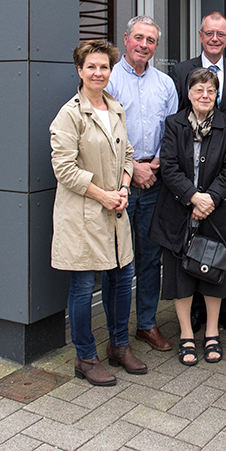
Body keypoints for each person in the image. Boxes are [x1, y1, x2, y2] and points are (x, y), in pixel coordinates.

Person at [50, 40, 147, 386]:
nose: (98, 72)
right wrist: (103, 195)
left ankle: (119, 346)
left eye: (104, 67)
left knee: (122, 281)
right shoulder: (69, 114)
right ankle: (85, 357)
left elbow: (128, 153)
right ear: (79, 70)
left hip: (115, 210)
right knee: (82, 285)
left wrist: (122, 188)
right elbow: (64, 168)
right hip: (84, 215)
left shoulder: (115, 107)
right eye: (91, 66)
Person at [149, 68, 226, 365]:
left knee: (214, 273)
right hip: (178, 211)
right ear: (188, 93)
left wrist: (210, 198)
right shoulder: (174, 124)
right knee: (179, 276)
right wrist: (192, 196)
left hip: (215, 213)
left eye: (210, 91)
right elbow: (169, 166)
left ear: (217, 95)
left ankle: (212, 332)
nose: (205, 95)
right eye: (199, 89)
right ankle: (187, 334)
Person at [171, 11, 226, 335]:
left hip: (224, 172)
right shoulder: (181, 71)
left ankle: (225, 311)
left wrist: (214, 194)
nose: (215, 38)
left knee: (221, 248)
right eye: (209, 33)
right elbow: (177, 119)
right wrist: (192, 193)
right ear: (201, 35)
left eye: (221, 33)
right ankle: (196, 314)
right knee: (190, 247)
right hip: (190, 175)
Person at [106, 15, 178, 352]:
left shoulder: (165, 84)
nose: (144, 45)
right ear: (126, 39)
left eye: (150, 40)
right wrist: (133, 168)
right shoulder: (109, 79)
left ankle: (146, 324)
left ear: (156, 46)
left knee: (150, 258)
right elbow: (104, 135)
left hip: (154, 182)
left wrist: (155, 166)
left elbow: (174, 132)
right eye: (139, 38)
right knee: (117, 259)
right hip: (118, 182)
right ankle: (115, 331)